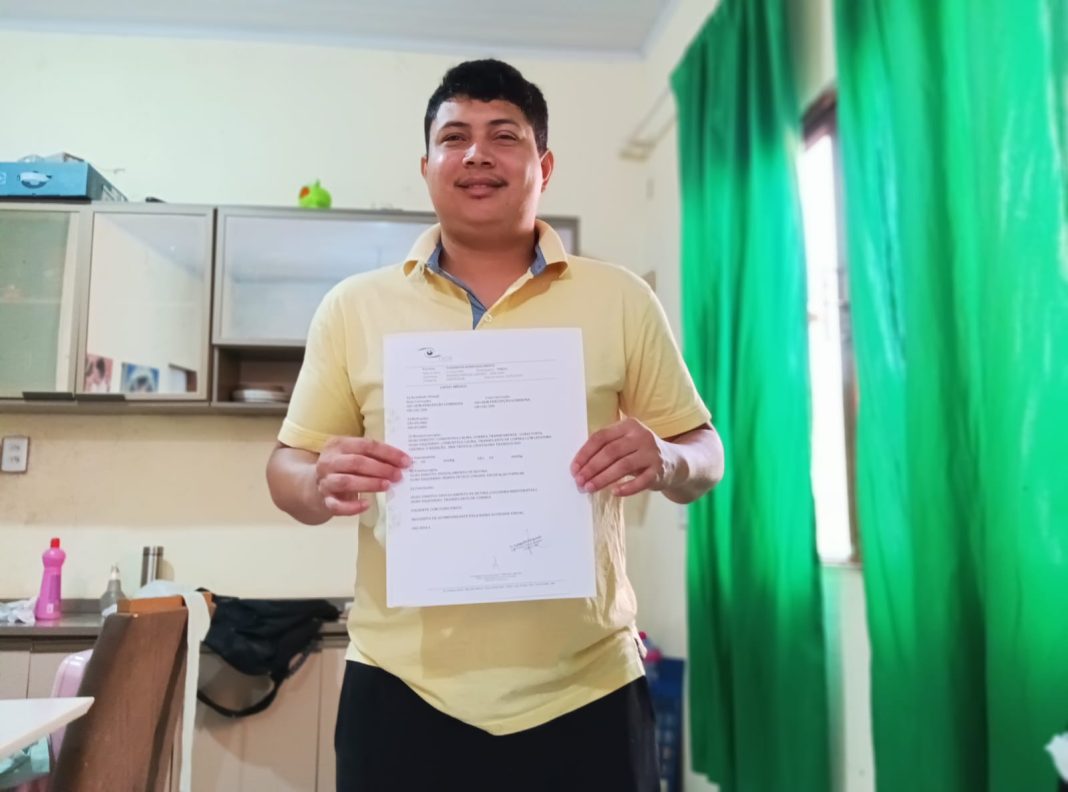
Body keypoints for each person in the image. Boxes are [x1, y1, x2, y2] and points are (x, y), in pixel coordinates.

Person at [266, 58, 724, 792]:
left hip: (588, 688)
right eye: (455, 137)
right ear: (427, 166)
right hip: (402, 687)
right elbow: (285, 469)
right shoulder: (353, 307)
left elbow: (707, 452)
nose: (477, 154)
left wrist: (667, 459)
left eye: (503, 136)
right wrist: (318, 479)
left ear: (544, 165)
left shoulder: (620, 298)